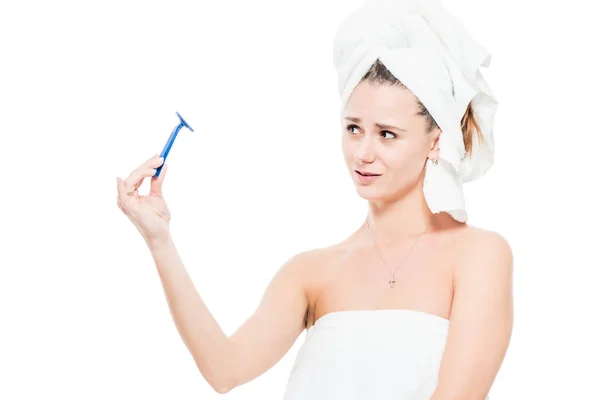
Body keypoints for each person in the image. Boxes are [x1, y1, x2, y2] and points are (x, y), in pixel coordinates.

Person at [116, 0, 513, 398]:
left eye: (387, 134)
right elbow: (224, 369)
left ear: (435, 141)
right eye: (354, 128)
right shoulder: (312, 272)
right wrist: (159, 240)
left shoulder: (479, 255)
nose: (363, 152)